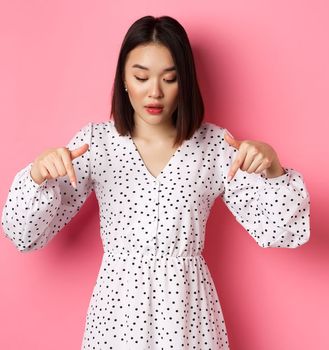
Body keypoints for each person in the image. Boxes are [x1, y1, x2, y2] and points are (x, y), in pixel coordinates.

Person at [0, 15, 310, 349]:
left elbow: (281, 232)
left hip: (188, 313)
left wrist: (274, 169)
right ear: (123, 78)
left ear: (185, 81)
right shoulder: (96, 144)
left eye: (170, 78)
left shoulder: (215, 146)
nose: (155, 92)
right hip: (117, 315)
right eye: (141, 76)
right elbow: (23, 235)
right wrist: (37, 175)